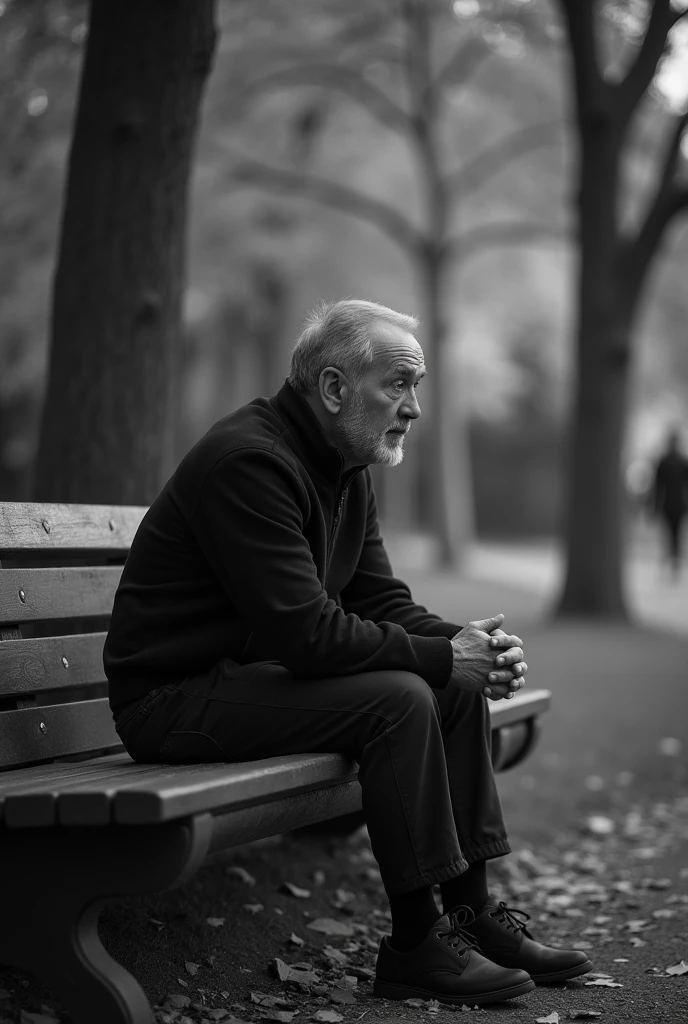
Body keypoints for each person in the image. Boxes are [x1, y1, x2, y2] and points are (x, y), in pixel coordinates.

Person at [104, 299, 592, 1007]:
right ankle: (416, 944)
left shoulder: (344, 466)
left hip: (243, 681)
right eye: (398, 383)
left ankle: (472, 915)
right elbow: (305, 633)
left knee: (448, 687)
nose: (415, 407)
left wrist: (464, 645)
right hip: (172, 699)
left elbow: (379, 600)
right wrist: (442, 658)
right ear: (334, 389)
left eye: (417, 386)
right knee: (399, 699)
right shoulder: (249, 461)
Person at [651, 428, 688, 579]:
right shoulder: (678, 461)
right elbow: (658, 486)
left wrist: (654, 506)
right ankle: (672, 565)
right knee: (673, 535)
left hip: (672, 504)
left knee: (671, 535)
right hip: (676, 504)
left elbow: (657, 486)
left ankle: (672, 565)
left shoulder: (668, 461)